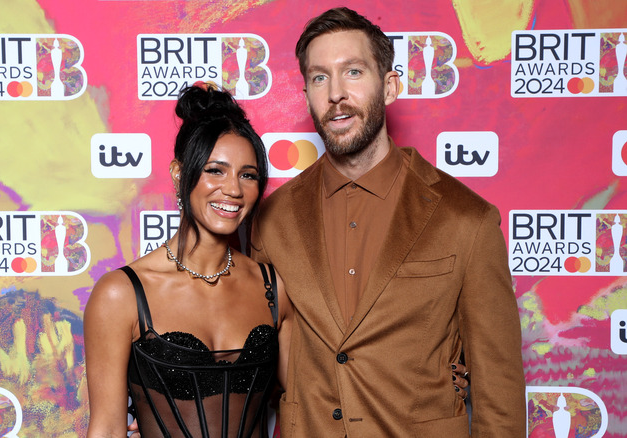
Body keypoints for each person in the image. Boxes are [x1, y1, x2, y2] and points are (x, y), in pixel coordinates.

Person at [250, 7, 526, 437]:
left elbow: (500, 399)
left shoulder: (467, 219)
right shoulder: (272, 219)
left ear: (391, 86)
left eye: (354, 72)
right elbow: (253, 362)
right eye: (320, 78)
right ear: (307, 96)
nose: (336, 93)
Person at [84, 84, 294, 438]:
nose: (233, 189)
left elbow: (306, 403)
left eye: (248, 174)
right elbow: (106, 428)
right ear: (180, 174)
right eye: (215, 170)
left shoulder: (272, 288)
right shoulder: (121, 294)